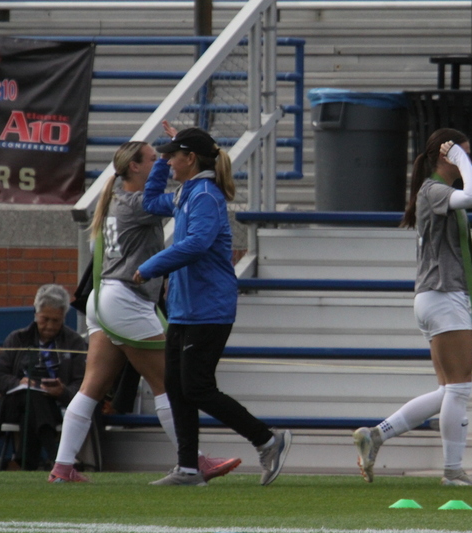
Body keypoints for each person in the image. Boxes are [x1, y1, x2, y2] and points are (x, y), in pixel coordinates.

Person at [48, 140, 241, 483]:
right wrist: (183, 154)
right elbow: (177, 202)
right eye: (155, 159)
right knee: (169, 384)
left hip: (103, 296)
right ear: (135, 167)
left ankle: (63, 466)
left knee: (92, 386)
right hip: (126, 298)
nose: (163, 164)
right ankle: (194, 461)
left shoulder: (114, 199)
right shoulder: (139, 203)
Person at [134, 125, 292, 486]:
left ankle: (268, 440)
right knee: (177, 386)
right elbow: (149, 200)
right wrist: (160, 159)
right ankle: (188, 468)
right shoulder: (187, 193)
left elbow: (197, 244)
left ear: (191, 159)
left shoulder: (204, 195)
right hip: (186, 308)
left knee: (197, 387)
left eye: (174, 155)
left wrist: (150, 267)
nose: (170, 160)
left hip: (209, 308)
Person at [352, 128, 472, 486]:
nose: (468, 161)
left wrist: (458, 158)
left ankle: (377, 435)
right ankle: (452, 472)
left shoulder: (432, 192)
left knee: (448, 391)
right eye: (465, 154)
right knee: (460, 389)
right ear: (447, 156)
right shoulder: (433, 190)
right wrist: (459, 160)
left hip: (436, 296)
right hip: (443, 295)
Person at [0, 284, 87, 470]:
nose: (49, 326)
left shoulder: (74, 342)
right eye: (45, 319)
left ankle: (25, 462)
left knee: (34, 403)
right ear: (36, 314)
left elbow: (81, 383)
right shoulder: (18, 338)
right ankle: (54, 455)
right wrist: (18, 382)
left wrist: (62, 391)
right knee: (31, 394)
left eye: (56, 321)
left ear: (64, 318)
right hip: (15, 404)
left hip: (56, 406)